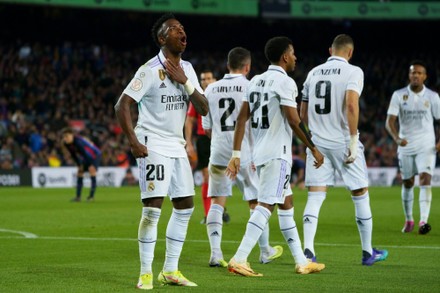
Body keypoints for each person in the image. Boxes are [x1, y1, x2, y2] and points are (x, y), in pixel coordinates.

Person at [114, 13, 209, 290]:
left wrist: (185, 82)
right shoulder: (148, 69)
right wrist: (133, 141)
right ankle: (145, 272)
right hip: (152, 142)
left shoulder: (188, 69)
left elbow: (203, 108)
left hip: (177, 145)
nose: (182, 32)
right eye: (174, 29)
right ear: (161, 38)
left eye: (183, 29)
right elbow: (122, 105)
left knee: (185, 207)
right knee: (153, 209)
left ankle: (170, 270)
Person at [225, 36, 326, 277]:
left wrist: (236, 153)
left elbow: (241, 118)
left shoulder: (256, 81)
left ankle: (302, 261)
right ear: (284, 56)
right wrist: (313, 147)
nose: (295, 58)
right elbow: (294, 119)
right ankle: (239, 258)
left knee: (287, 203)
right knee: (266, 205)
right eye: (293, 53)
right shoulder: (285, 82)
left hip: (260, 154)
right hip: (277, 155)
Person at [300, 34, 388, 266]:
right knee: (360, 192)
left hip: (317, 143)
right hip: (341, 141)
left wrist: (311, 139)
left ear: (331, 50)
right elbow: (350, 104)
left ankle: (308, 251)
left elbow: (302, 113)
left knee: (315, 195)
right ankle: (368, 252)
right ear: (350, 52)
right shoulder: (353, 72)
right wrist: (352, 139)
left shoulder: (313, 73)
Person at [202, 46, 283, 268]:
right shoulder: (251, 86)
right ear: (247, 67)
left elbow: (207, 128)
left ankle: (216, 253)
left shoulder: (210, 89)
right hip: (246, 154)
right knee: (256, 202)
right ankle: (265, 251)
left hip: (218, 152)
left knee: (217, 201)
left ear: (228, 65)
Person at [385, 60, 440, 235]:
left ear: (425, 76)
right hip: (406, 145)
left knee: (425, 179)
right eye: (412, 72)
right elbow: (390, 122)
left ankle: (423, 221)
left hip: (427, 145)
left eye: (419, 73)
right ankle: (409, 219)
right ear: (409, 75)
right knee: (408, 182)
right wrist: (396, 138)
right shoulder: (399, 95)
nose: (415, 75)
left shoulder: (432, 97)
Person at [185, 70, 230, 224]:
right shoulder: (198, 98)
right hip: (204, 140)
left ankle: (220, 208)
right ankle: (208, 214)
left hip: (222, 138)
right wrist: (189, 142)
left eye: (209, 78)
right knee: (207, 177)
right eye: (203, 78)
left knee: (223, 177)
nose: (205, 81)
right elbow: (190, 120)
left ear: (215, 79)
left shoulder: (222, 96)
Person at [61, 127, 101, 202]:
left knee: (91, 170)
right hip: (86, 156)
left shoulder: (78, 142)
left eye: (67, 136)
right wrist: (79, 165)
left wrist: (90, 165)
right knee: (80, 172)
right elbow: (74, 155)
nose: (65, 138)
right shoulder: (66, 143)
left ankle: (91, 197)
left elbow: (85, 154)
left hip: (95, 155)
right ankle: (78, 197)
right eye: (64, 136)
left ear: (72, 135)